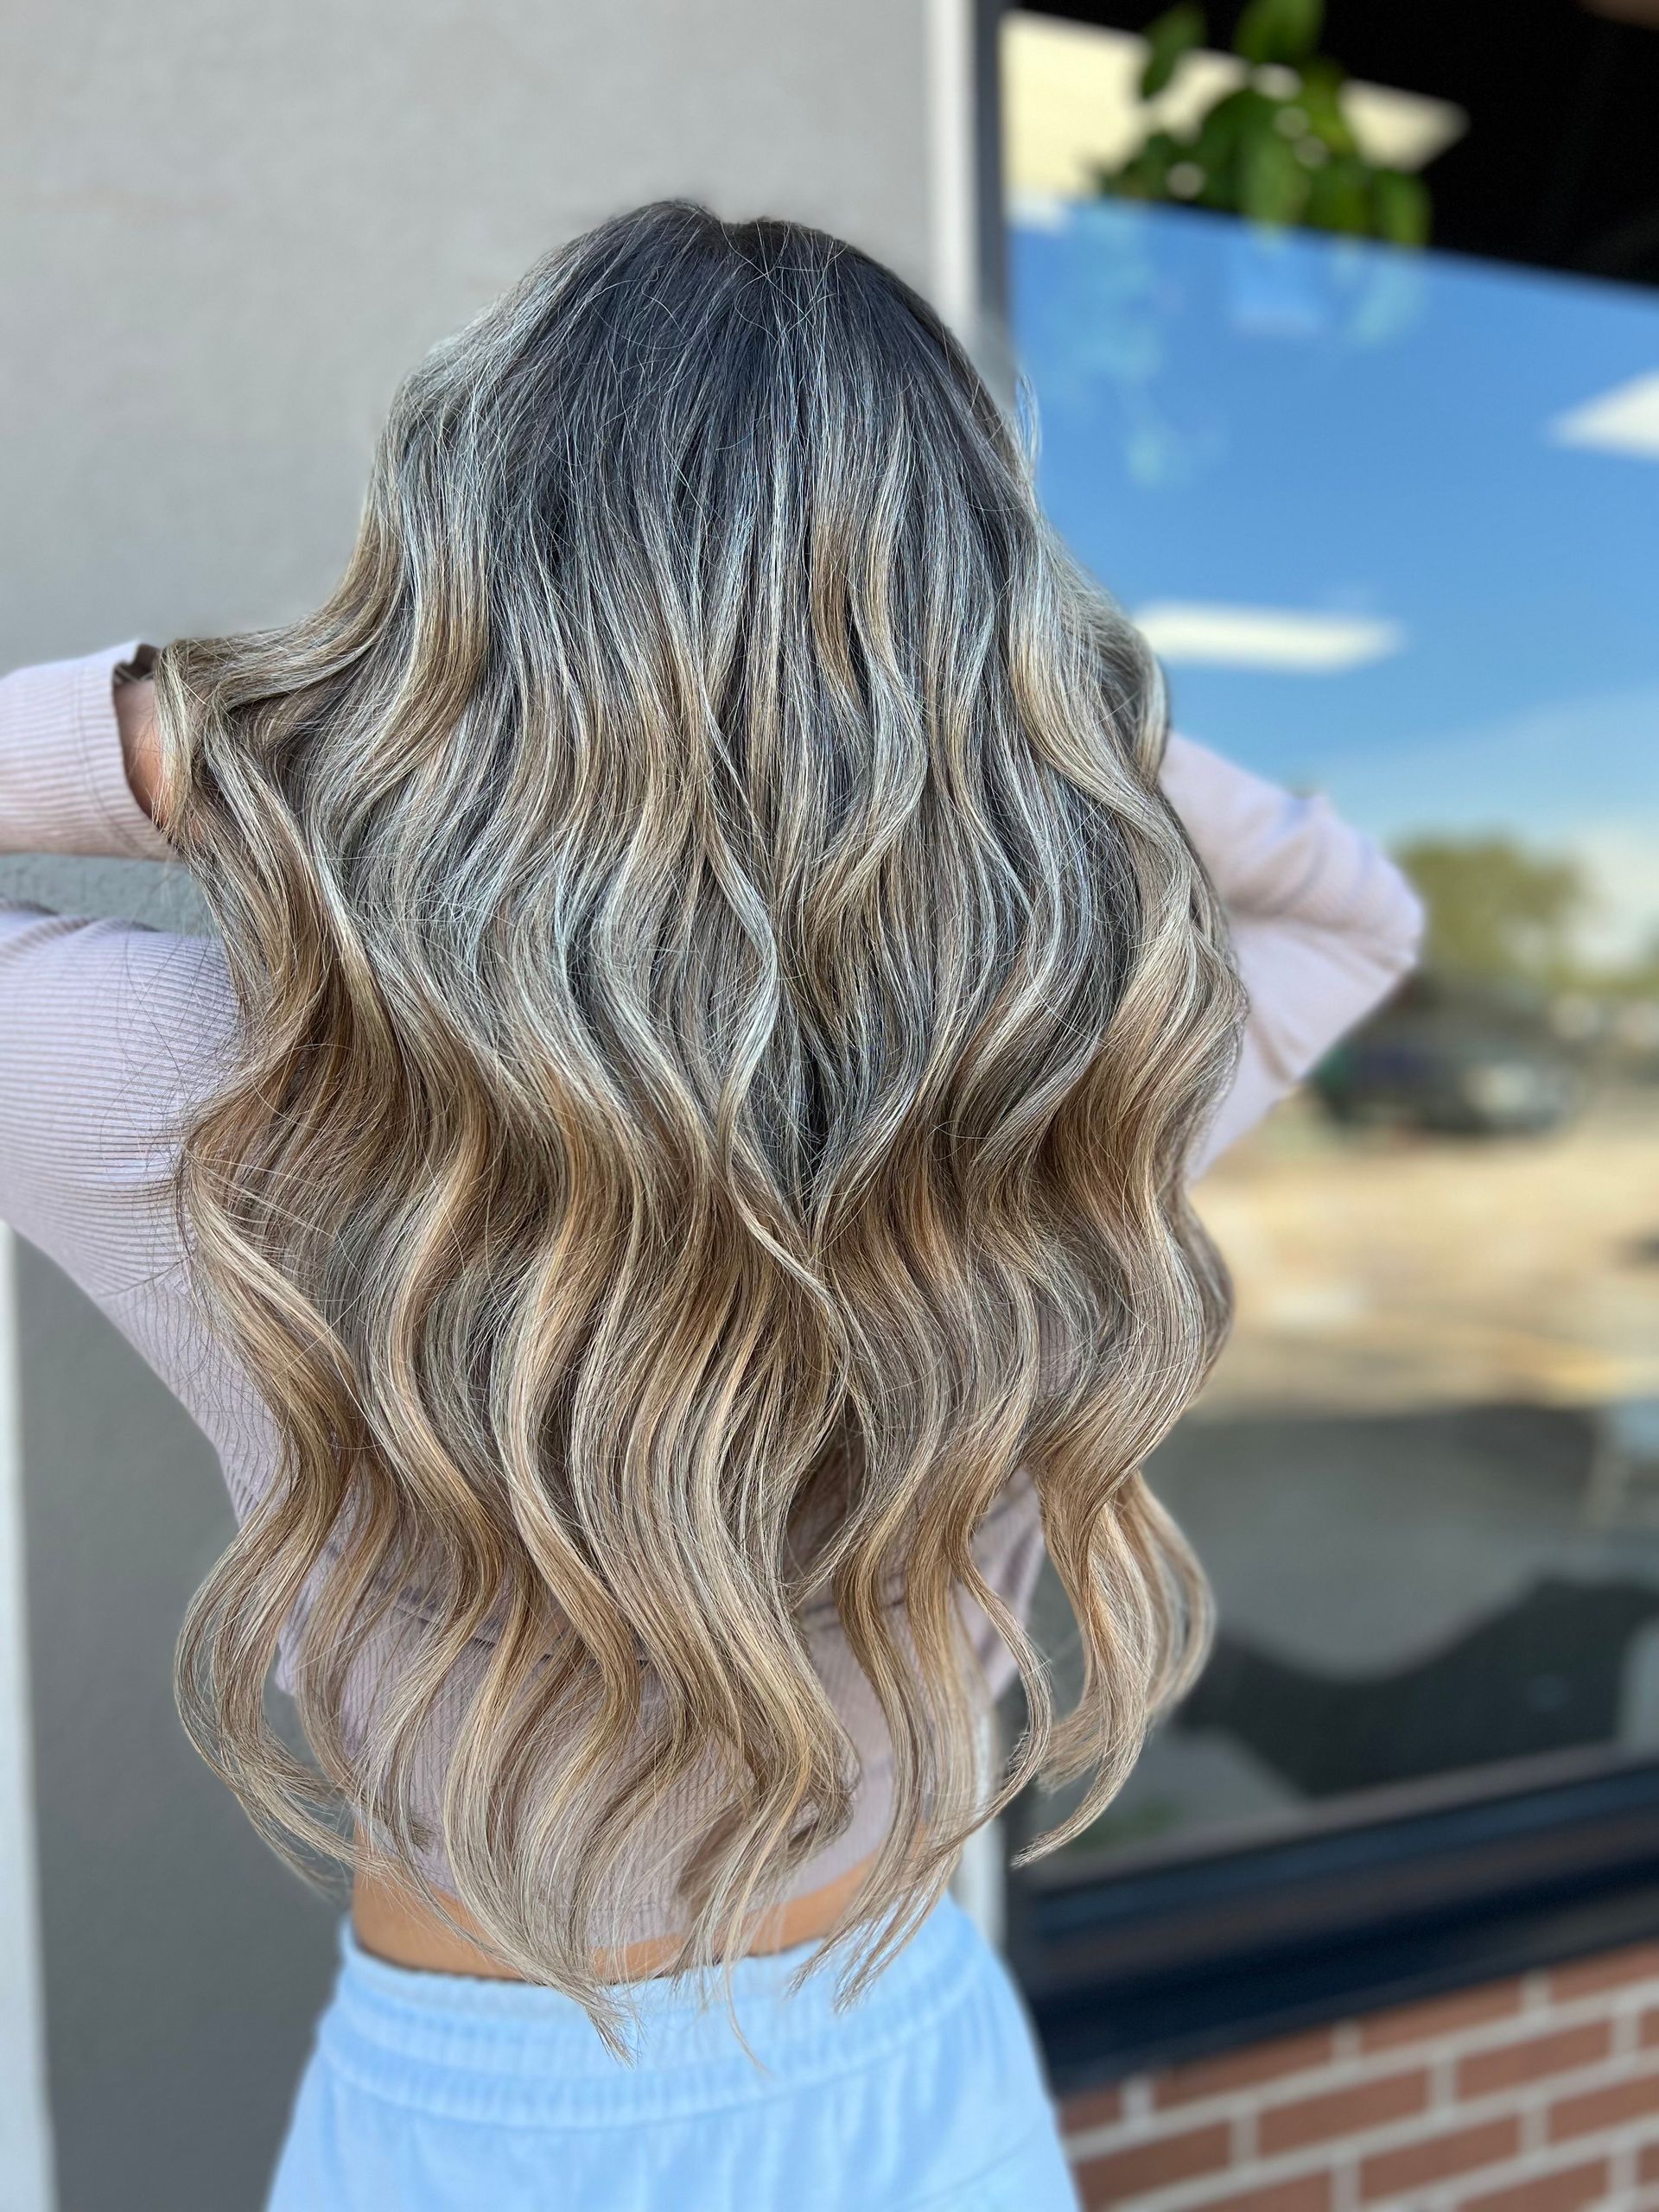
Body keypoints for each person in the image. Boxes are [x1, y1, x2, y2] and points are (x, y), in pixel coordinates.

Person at [0, 201, 1423, 2210]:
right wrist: (1038, 740)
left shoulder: (205, 1077)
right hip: (919, 2061)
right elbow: (1350, 908)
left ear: (452, 589)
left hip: (502, 2116)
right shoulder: (1044, 1100)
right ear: (983, 630)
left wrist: (210, 733)